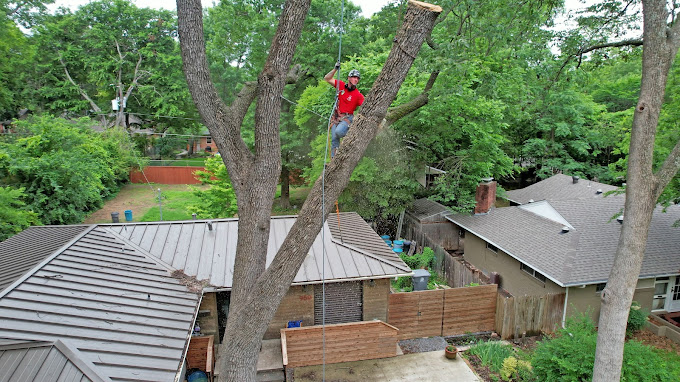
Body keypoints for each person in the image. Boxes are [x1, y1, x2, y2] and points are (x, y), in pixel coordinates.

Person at [324, 61, 365, 158]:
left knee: (339, 132)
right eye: (354, 77)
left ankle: (354, 132)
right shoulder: (341, 86)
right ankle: (334, 160)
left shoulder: (358, 95)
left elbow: (366, 106)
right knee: (334, 139)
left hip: (347, 118)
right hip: (337, 118)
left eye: (357, 78)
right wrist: (335, 69)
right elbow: (327, 78)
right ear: (349, 78)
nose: (355, 80)